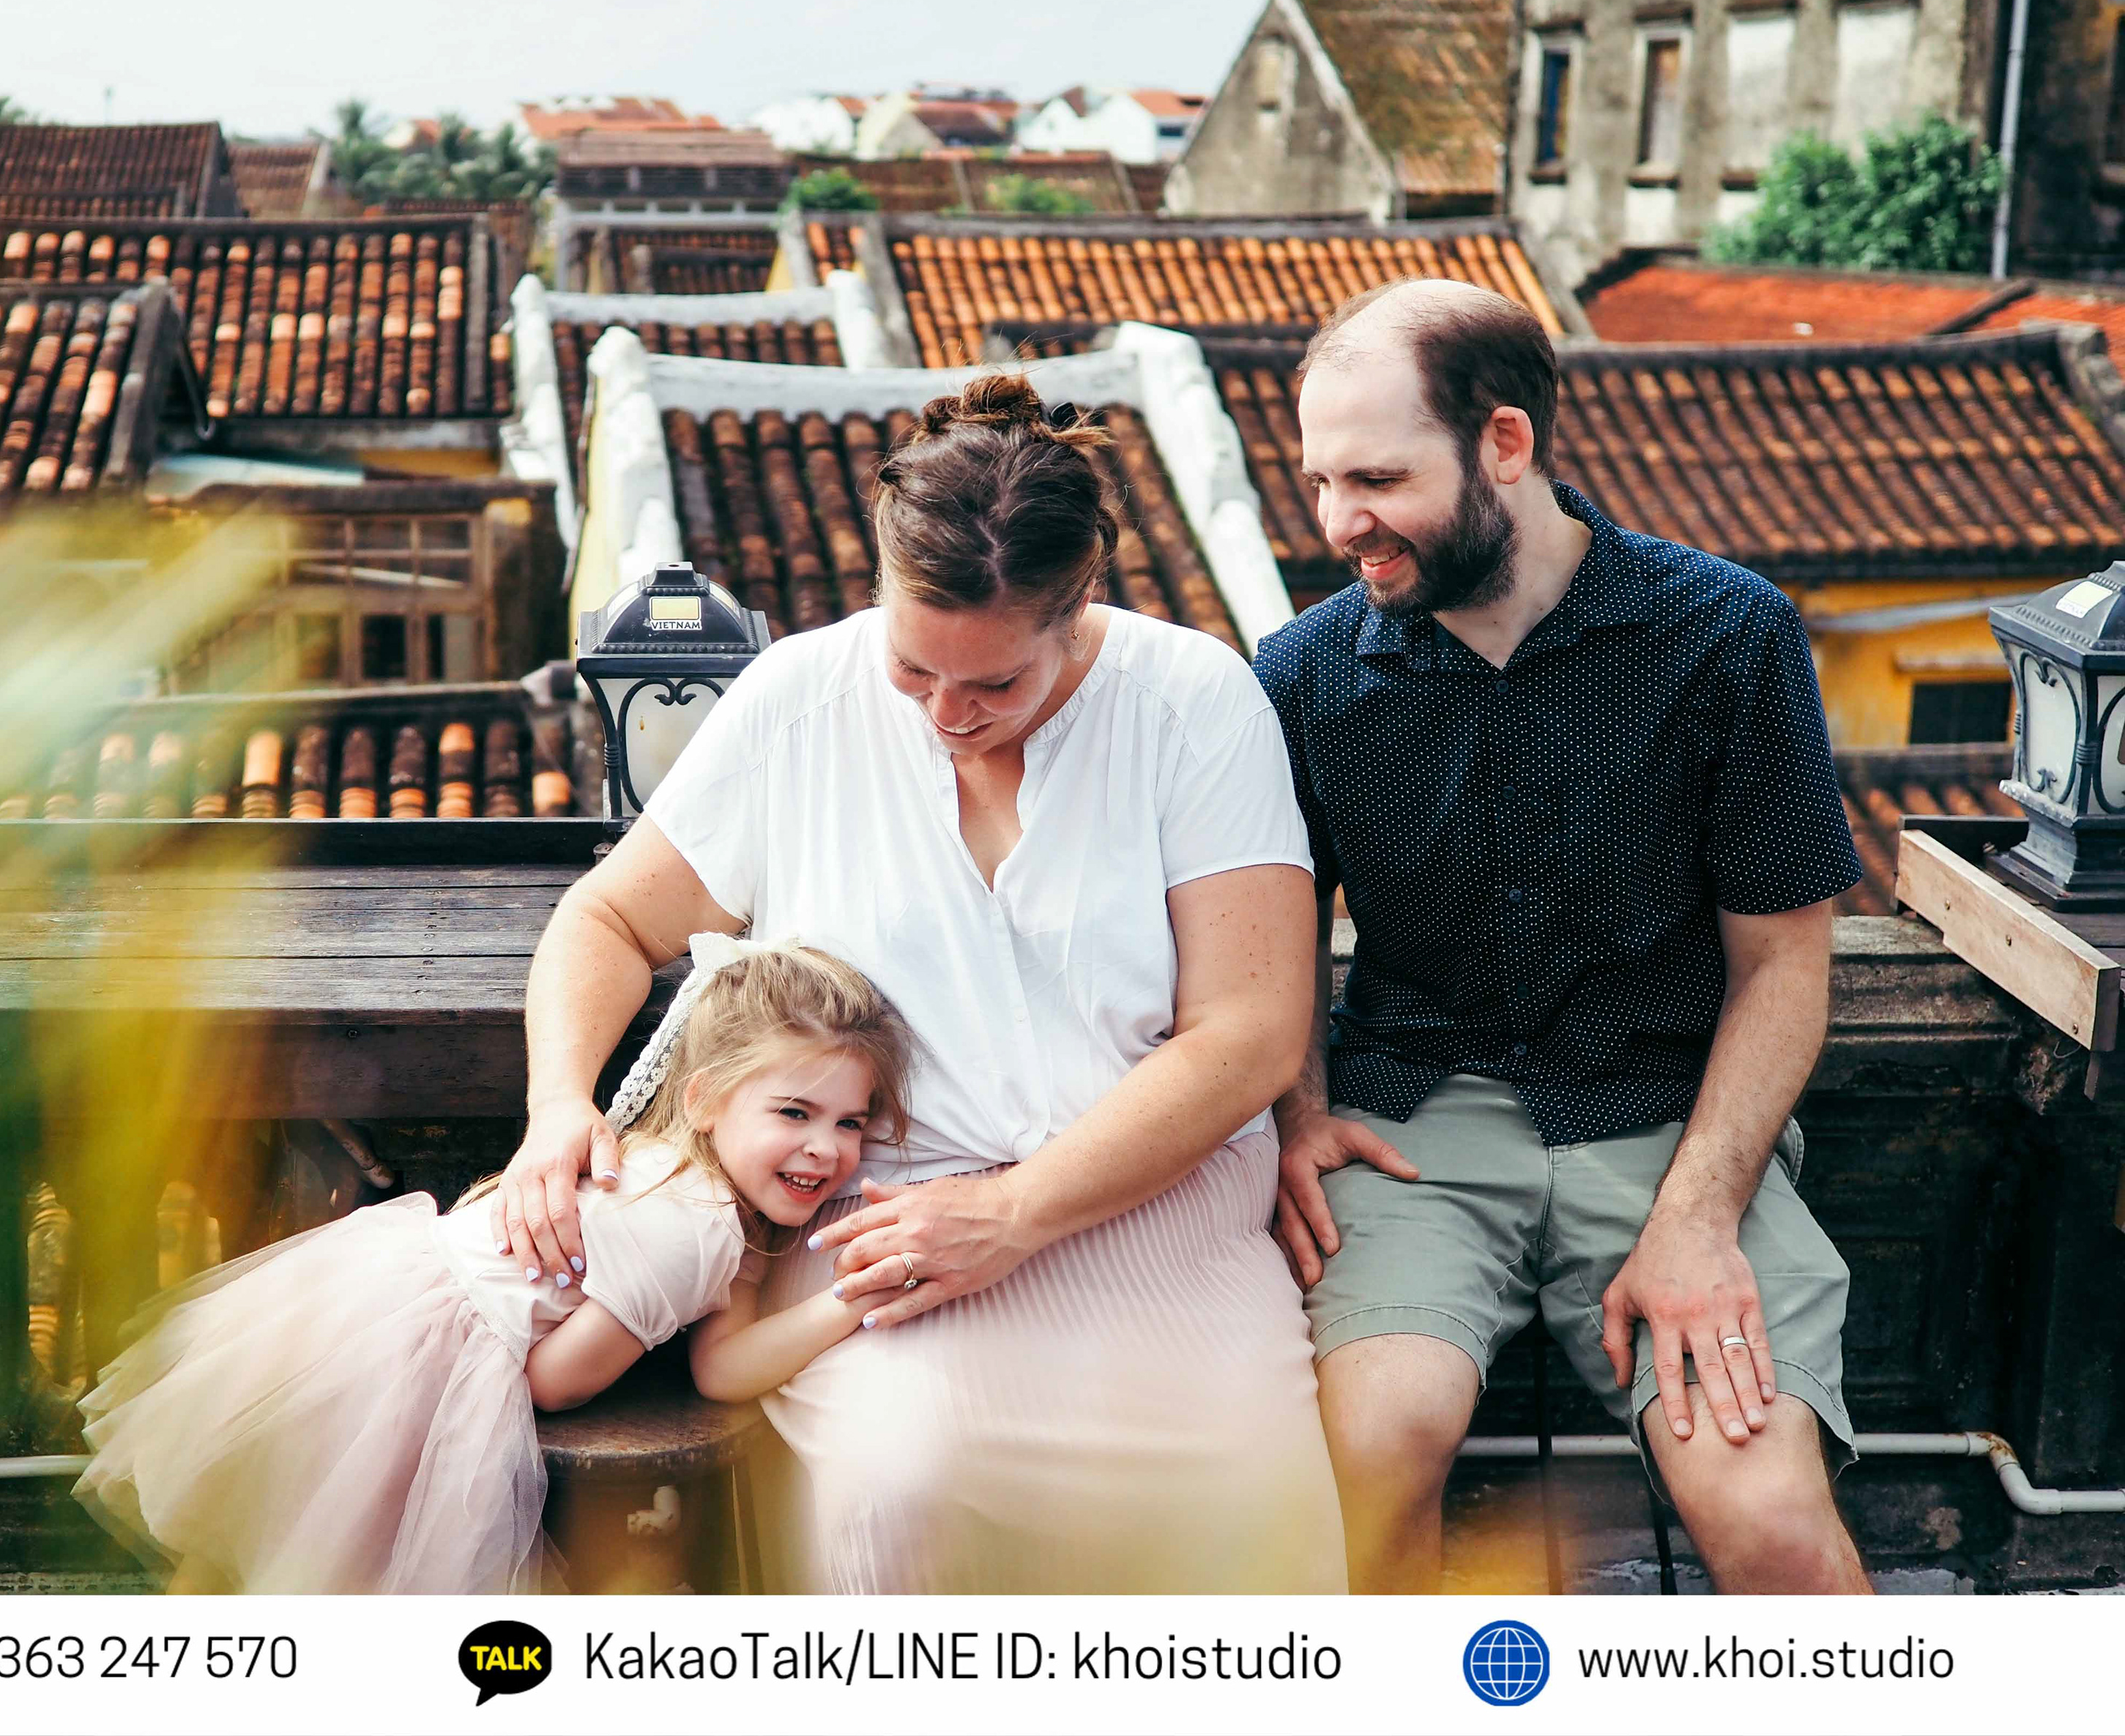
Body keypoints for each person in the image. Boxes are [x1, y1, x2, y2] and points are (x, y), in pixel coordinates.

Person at [495, 374, 1345, 1593]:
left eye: (995, 684)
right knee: (897, 1493)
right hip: (872, 1240)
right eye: (915, 672)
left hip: (1156, 1212)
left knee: (1248, 1520)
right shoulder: (798, 696)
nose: (948, 713)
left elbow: (1253, 1034)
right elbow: (609, 916)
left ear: (1078, 605)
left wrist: (1017, 1215)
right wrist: (559, 1103)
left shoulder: (1195, 702)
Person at [1256, 278, 1871, 1594]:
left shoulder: (1726, 635)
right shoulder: (1301, 674)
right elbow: (1274, 936)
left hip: (1669, 1120)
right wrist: (1300, 1111)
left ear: (1507, 444)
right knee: (1370, 1455)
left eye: (1375, 477)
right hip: (1415, 1121)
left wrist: (1701, 1219)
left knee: (1769, 1526)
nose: (1336, 524)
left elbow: (1783, 965)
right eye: (1318, 481)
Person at [72, 938, 912, 1593]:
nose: (826, 1149)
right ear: (703, 1098)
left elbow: (724, 1364)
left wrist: (845, 1299)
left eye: (851, 1122)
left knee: (249, 1557)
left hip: (375, 1295)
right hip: (419, 1365)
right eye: (794, 1111)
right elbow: (555, 1382)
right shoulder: (694, 1233)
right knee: (331, 1570)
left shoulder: (678, 1176)